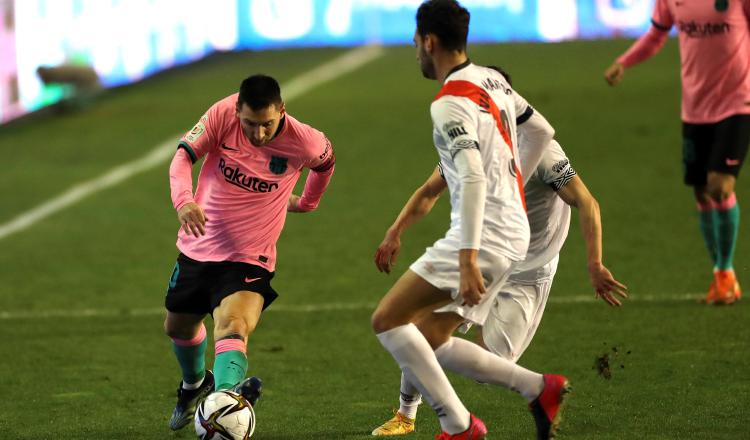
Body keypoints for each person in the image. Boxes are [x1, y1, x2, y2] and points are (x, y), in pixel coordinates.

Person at [371, 71, 627, 435]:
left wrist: (595, 262)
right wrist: (395, 231)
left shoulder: (541, 154)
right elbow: (430, 190)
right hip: (485, 249)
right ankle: (407, 413)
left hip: (530, 267)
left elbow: (586, 202)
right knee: (417, 323)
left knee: (485, 359)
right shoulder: (473, 140)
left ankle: (533, 388)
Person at [370, 2, 568, 439]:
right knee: (431, 335)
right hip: (513, 231)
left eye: (416, 42)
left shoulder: (448, 104)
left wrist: (467, 257)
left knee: (388, 320)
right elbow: (542, 131)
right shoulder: (492, 80)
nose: (415, 51)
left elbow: (474, 175)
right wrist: (514, 184)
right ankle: (539, 388)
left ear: (429, 41)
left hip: (485, 234)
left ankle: (458, 424)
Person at [163, 74, 335, 430]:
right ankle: (196, 385)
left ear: (282, 111)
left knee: (233, 325)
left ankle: (225, 401)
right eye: (250, 124)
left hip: (250, 255)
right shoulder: (220, 115)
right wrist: (184, 202)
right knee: (179, 327)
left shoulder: (305, 140)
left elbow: (325, 164)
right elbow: (182, 159)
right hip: (200, 246)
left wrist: (308, 201)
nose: (258, 134)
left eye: (267, 125)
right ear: (237, 110)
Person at [604, 0, 750, 304]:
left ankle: (724, 272)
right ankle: (722, 277)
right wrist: (624, 61)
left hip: (737, 103)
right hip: (695, 108)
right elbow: (657, 35)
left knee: (720, 187)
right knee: (701, 192)